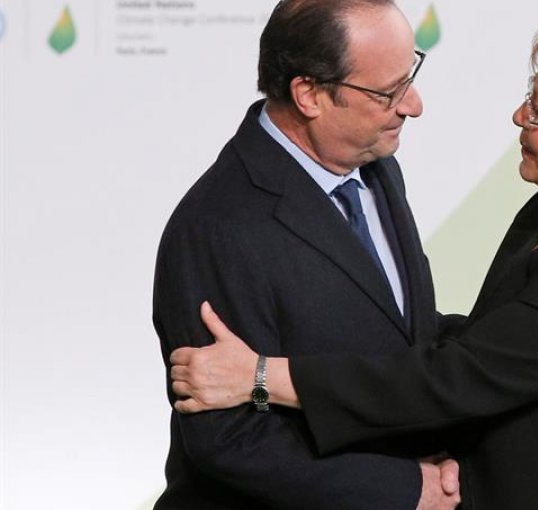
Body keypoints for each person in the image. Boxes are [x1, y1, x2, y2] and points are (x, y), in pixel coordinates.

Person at [170, 19, 538, 510]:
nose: (518, 118)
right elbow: (495, 344)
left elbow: (462, 376)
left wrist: (260, 376)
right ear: (310, 93)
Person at [152, 0, 461, 508]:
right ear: (310, 94)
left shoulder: (375, 167)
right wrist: (406, 489)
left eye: (411, 76)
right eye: (389, 92)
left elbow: (401, 334)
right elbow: (229, 440)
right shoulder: (218, 225)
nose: (414, 105)